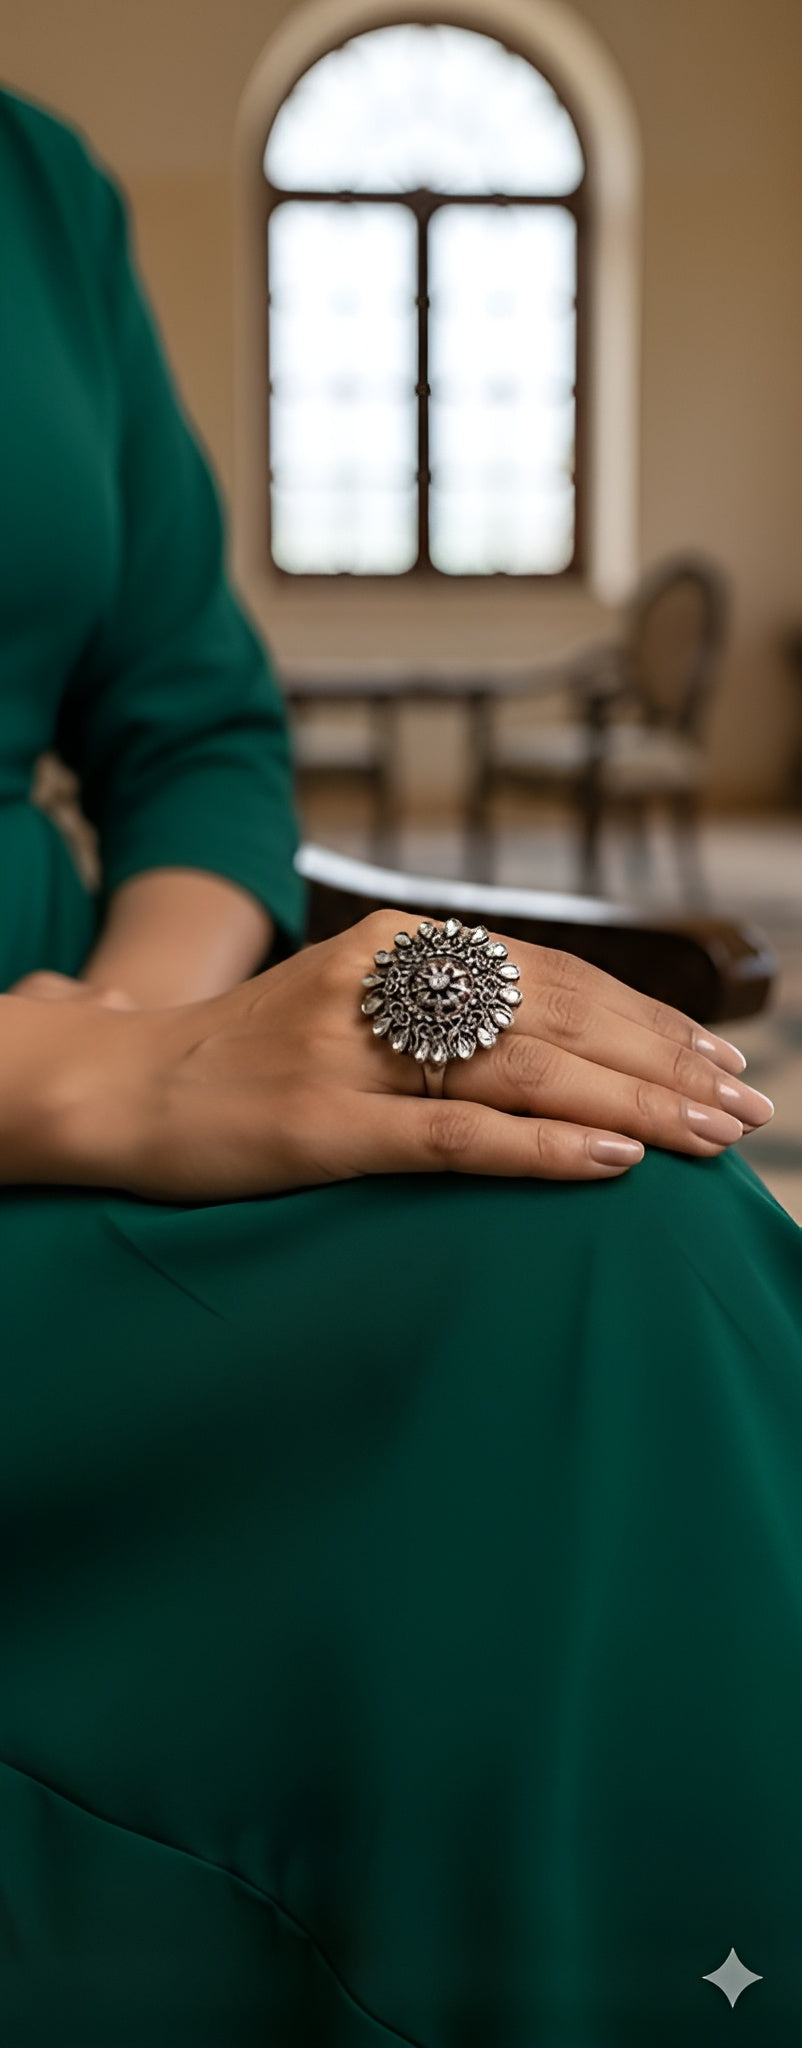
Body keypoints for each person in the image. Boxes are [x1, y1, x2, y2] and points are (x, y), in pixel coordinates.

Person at [0, 83, 800, 2048]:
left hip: (82, 1047)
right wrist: (79, 1092)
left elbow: (194, 724)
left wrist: (153, 1027)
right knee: (561, 1299)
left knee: (635, 1219)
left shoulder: (36, 188)